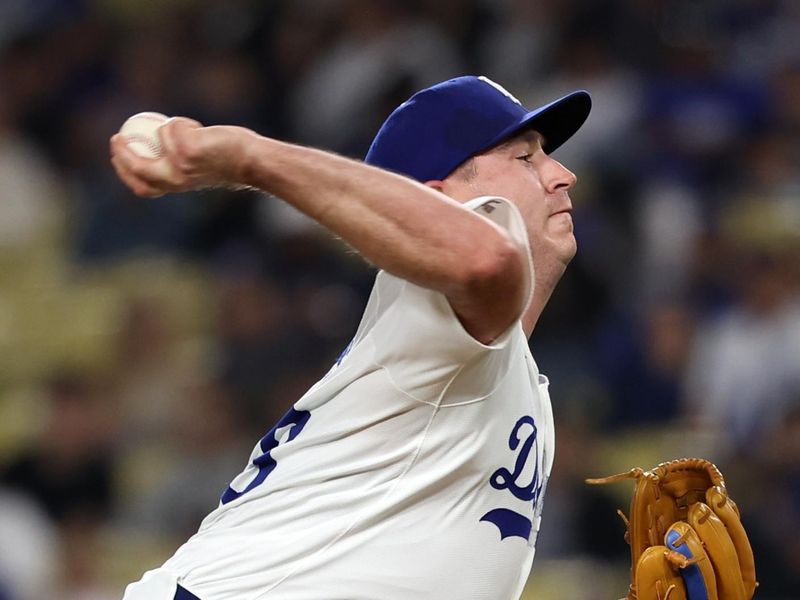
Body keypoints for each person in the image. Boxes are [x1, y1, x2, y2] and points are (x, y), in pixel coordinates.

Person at [111, 75, 591, 600]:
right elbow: (485, 258)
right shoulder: (434, 308)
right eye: (525, 158)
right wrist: (246, 157)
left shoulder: (498, 365)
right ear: (438, 200)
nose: (563, 175)